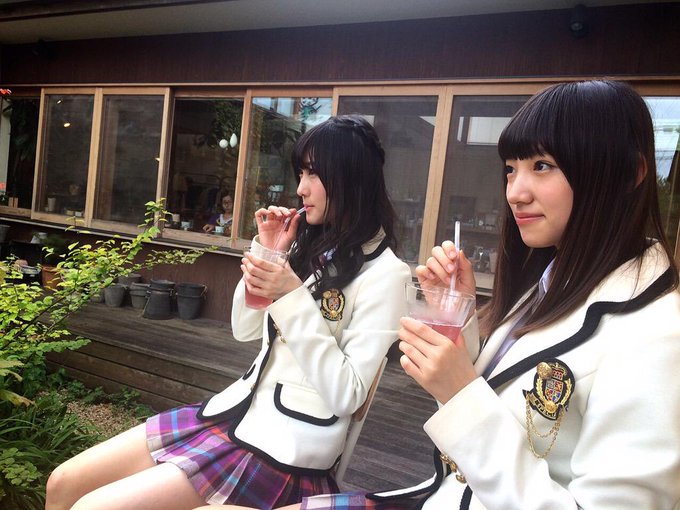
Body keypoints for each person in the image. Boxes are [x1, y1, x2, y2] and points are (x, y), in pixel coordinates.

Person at [217, 80, 680, 510]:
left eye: (542, 166)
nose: (515, 193)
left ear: (630, 173)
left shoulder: (658, 335)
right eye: (511, 169)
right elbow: (245, 328)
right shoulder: (552, 285)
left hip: (294, 449)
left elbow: (358, 395)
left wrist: (459, 391)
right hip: (255, 423)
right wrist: (460, 327)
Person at [44, 114, 412, 510]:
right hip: (232, 412)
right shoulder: (313, 246)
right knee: (63, 483)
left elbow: (348, 394)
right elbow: (244, 328)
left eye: (313, 174)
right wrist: (269, 251)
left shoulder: (387, 274)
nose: (300, 188)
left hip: (283, 450)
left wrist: (291, 295)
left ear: (352, 178)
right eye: (300, 173)